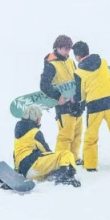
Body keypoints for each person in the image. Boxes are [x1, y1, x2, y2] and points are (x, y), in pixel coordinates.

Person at [70, 41, 110, 172]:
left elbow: (80, 96)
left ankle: (90, 165)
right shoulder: (103, 62)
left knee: (91, 137)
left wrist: (73, 100)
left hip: (95, 106)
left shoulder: (79, 72)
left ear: (77, 56)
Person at [40, 34, 84, 165]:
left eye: (68, 49)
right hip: (63, 104)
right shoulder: (51, 64)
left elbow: (77, 78)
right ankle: (61, 161)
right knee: (66, 135)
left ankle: (74, 157)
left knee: (77, 133)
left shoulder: (70, 61)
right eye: (64, 48)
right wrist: (57, 96)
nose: (66, 51)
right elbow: (44, 85)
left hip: (75, 102)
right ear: (57, 48)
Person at [13, 104, 80, 185]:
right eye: (39, 118)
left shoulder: (18, 132)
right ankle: (66, 176)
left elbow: (16, 153)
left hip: (23, 170)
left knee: (50, 170)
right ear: (36, 118)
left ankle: (57, 174)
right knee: (66, 154)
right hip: (32, 166)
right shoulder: (35, 132)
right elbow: (46, 150)